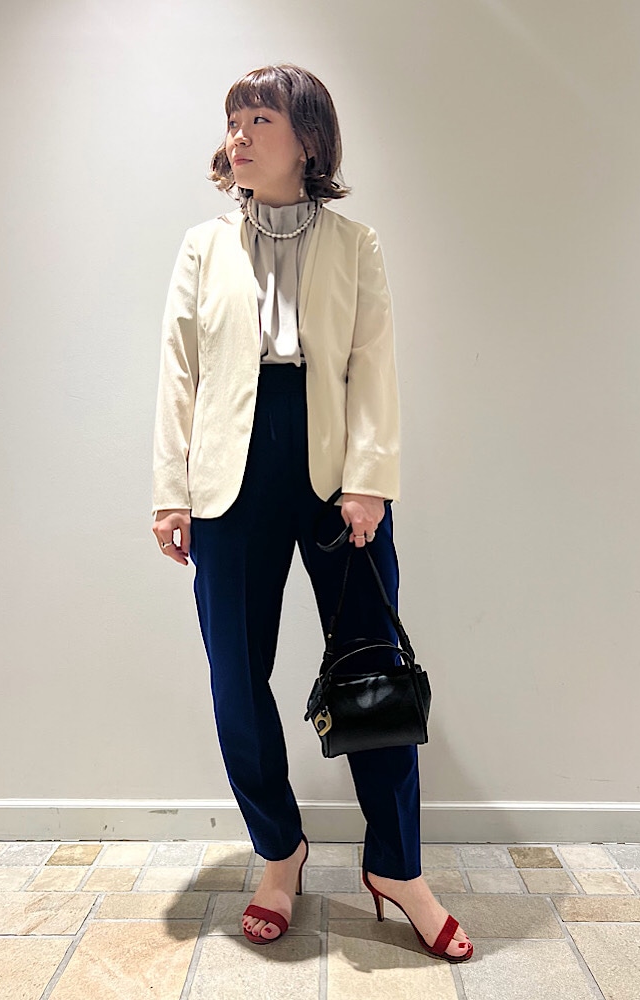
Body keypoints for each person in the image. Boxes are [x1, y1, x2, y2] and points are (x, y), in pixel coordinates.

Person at [151, 63, 473, 962]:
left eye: (261, 119)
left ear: (309, 139)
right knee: (235, 677)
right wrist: (171, 490)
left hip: (337, 471)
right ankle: (278, 850)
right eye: (234, 120)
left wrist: (369, 479)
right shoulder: (202, 247)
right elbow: (179, 371)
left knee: (375, 667)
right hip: (229, 472)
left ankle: (397, 867)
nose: (240, 135)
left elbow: (373, 364)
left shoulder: (356, 244)